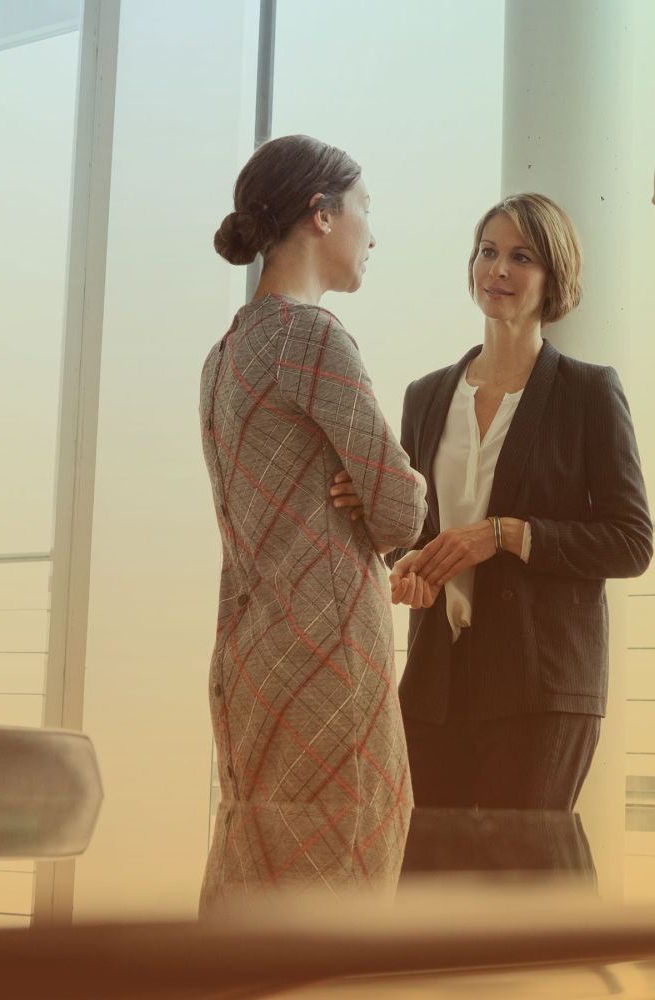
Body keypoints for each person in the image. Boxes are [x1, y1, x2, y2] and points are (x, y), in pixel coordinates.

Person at [200, 133, 427, 866]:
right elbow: (399, 511)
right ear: (321, 214)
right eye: (365, 207)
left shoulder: (225, 354)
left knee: (257, 878)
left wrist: (361, 485)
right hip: (329, 661)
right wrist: (393, 486)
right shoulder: (314, 337)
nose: (372, 231)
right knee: (346, 881)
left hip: (250, 662)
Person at [385, 193, 652, 810]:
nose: (497, 269)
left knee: (520, 889)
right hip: (434, 682)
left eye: (521, 256)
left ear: (553, 276)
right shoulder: (425, 397)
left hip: (541, 687)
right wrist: (407, 562)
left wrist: (504, 533)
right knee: (427, 886)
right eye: (487, 252)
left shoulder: (588, 392)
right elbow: (414, 529)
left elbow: (632, 542)